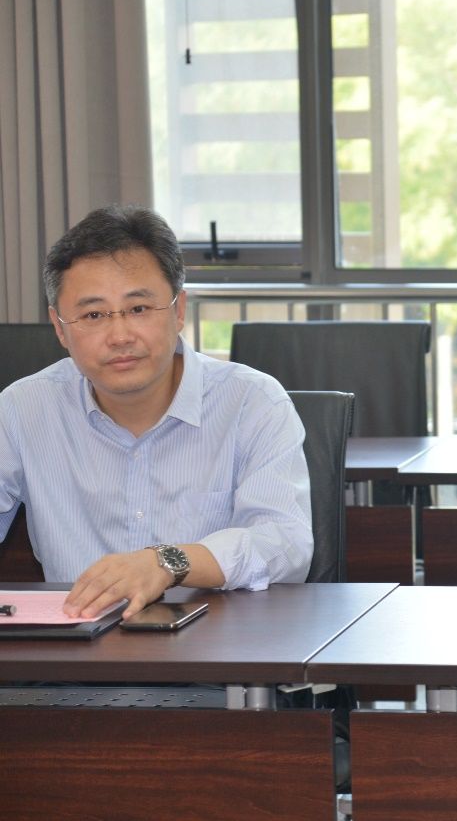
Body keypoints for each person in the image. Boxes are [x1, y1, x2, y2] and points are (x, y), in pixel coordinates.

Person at [0, 205, 314, 619]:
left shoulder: (252, 402)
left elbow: (285, 544)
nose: (119, 336)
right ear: (60, 327)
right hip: (74, 649)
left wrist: (167, 563)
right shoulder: (23, 408)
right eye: (93, 315)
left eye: (139, 309)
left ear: (179, 310)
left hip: (219, 649)